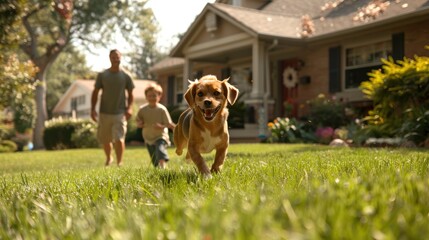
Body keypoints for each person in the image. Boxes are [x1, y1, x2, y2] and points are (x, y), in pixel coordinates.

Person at [91, 49, 135, 167]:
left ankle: (119, 162)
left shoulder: (126, 76)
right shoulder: (102, 75)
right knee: (106, 140)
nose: (115, 59)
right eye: (113, 57)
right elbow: (95, 93)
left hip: (120, 112)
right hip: (104, 112)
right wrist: (92, 109)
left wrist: (129, 108)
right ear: (109, 58)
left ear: (121, 57)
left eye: (117, 57)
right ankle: (109, 157)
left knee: (119, 138)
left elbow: (131, 94)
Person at [136, 83, 175, 169]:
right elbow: (138, 120)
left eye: (154, 96)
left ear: (159, 96)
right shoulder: (142, 110)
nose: (152, 98)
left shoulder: (162, 109)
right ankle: (158, 167)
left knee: (160, 149)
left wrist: (161, 126)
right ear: (146, 97)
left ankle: (163, 167)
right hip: (148, 137)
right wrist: (139, 124)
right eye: (149, 96)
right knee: (154, 158)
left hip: (161, 136)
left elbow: (168, 124)